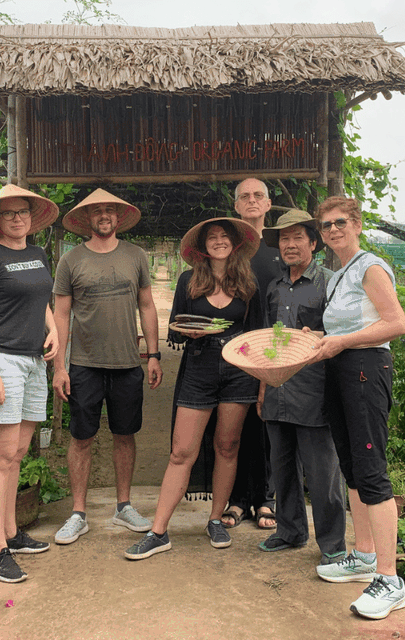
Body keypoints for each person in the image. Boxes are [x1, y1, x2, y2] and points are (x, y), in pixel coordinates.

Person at [125, 217, 262, 559]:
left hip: (239, 369)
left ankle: (215, 518)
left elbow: (258, 332)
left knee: (227, 446)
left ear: (235, 243)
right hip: (199, 367)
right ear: (202, 247)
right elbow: (175, 327)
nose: (218, 241)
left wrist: (262, 382)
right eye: (212, 237)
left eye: (223, 236)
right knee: (180, 452)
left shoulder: (248, 282)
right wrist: (189, 332)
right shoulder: (189, 280)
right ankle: (159, 531)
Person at [309, 197, 405, 620]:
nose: (332, 230)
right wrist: (317, 336)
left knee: (371, 469)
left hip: (367, 368)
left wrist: (341, 342)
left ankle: (390, 578)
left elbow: (396, 323)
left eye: (339, 223)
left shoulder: (370, 266)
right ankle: (365, 555)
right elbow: (345, 326)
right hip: (341, 369)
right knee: (351, 465)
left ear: (356, 225)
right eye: (326, 225)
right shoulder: (337, 276)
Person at [51, 188, 163, 546]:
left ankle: (124, 505)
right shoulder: (71, 261)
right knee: (81, 437)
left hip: (127, 362)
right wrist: (60, 367)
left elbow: (147, 305)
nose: (103, 216)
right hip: (83, 364)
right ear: (86, 219)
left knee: (124, 434)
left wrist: (155, 354)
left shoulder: (136, 256)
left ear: (118, 217)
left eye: (109, 210)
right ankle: (78, 513)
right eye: (96, 211)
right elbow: (61, 314)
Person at [0, 183, 60, 583]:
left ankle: (11, 533)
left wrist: (53, 329)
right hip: (2, 360)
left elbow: (42, 301)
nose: (18, 218)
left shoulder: (38, 254)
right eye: (9, 213)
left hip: (34, 361)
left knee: (19, 453)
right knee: (0, 458)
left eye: (23, 211)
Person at [255, 210, 346, 563]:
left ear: (313, 243)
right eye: (284, 239)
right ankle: (290, 531)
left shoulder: (328, 282)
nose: (290, 245)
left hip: (316, 389)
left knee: (322, 472)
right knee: (282, 466)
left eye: (297, 238)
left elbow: (341, 334)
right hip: (278, 388)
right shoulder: (274, 287)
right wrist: (263, 387)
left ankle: (333, 546)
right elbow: (268, 341)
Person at [220, 178, 282, 530]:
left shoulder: (278, 249)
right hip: (234, 351)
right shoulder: (230, 250)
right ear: (236, 207)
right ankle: (239, 499)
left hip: (274, 351)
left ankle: (267, 498)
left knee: (268, 426)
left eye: (258, 195)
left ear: (268, 204)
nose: (252, 200)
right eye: (245, 196)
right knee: (234, 428)